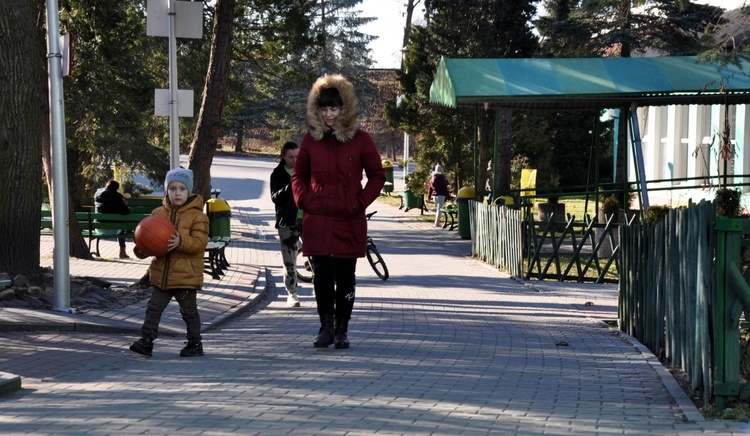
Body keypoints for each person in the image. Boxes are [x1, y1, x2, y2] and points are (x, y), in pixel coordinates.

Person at [292, 74, 386, 349]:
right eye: (325, 109)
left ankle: (342, 329)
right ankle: (325, 327)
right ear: (317, 110)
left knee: (346, 276)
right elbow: (298, 175)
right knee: (322, 276)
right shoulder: (310, 140)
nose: (329, 115)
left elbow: (377, 175)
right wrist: (305, 201)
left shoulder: (361, 140)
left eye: (334, 109)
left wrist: (359, 202)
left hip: (348, 218)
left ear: (344, 109)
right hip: (318, 217)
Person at [129, 168, 210, 358]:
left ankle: (195, 343)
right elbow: (149, 243)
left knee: (189, 313)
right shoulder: (157, 213)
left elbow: (199, 245)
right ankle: (146, 341)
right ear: (167, 191)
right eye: (173, 189)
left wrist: (181, 241)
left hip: (185, 275)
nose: (177, 193)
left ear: (189, 191)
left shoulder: (198, 217)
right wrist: (141, 248)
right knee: (153, 309)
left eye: (182, 189)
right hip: (161, 276)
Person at [270, 141, 302, 308]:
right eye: (291, 157)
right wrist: (291, 186)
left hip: (308, 218)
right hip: (287, 220)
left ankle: (323, 291)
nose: (295, 160)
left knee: (319, 255)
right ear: (283, 157)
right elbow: (275, 197)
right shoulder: (277, 174)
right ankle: (292, 293)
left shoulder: (307, 169)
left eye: (297, 156)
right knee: (289, 258)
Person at [94, 180, 131, 259]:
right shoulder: (116, 196)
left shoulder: (97, 194)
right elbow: (126, 211)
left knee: (119, 223)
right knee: (122, 224)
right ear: (116, 188)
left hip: (98, 228)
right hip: (114, 229)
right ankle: (122, 252)